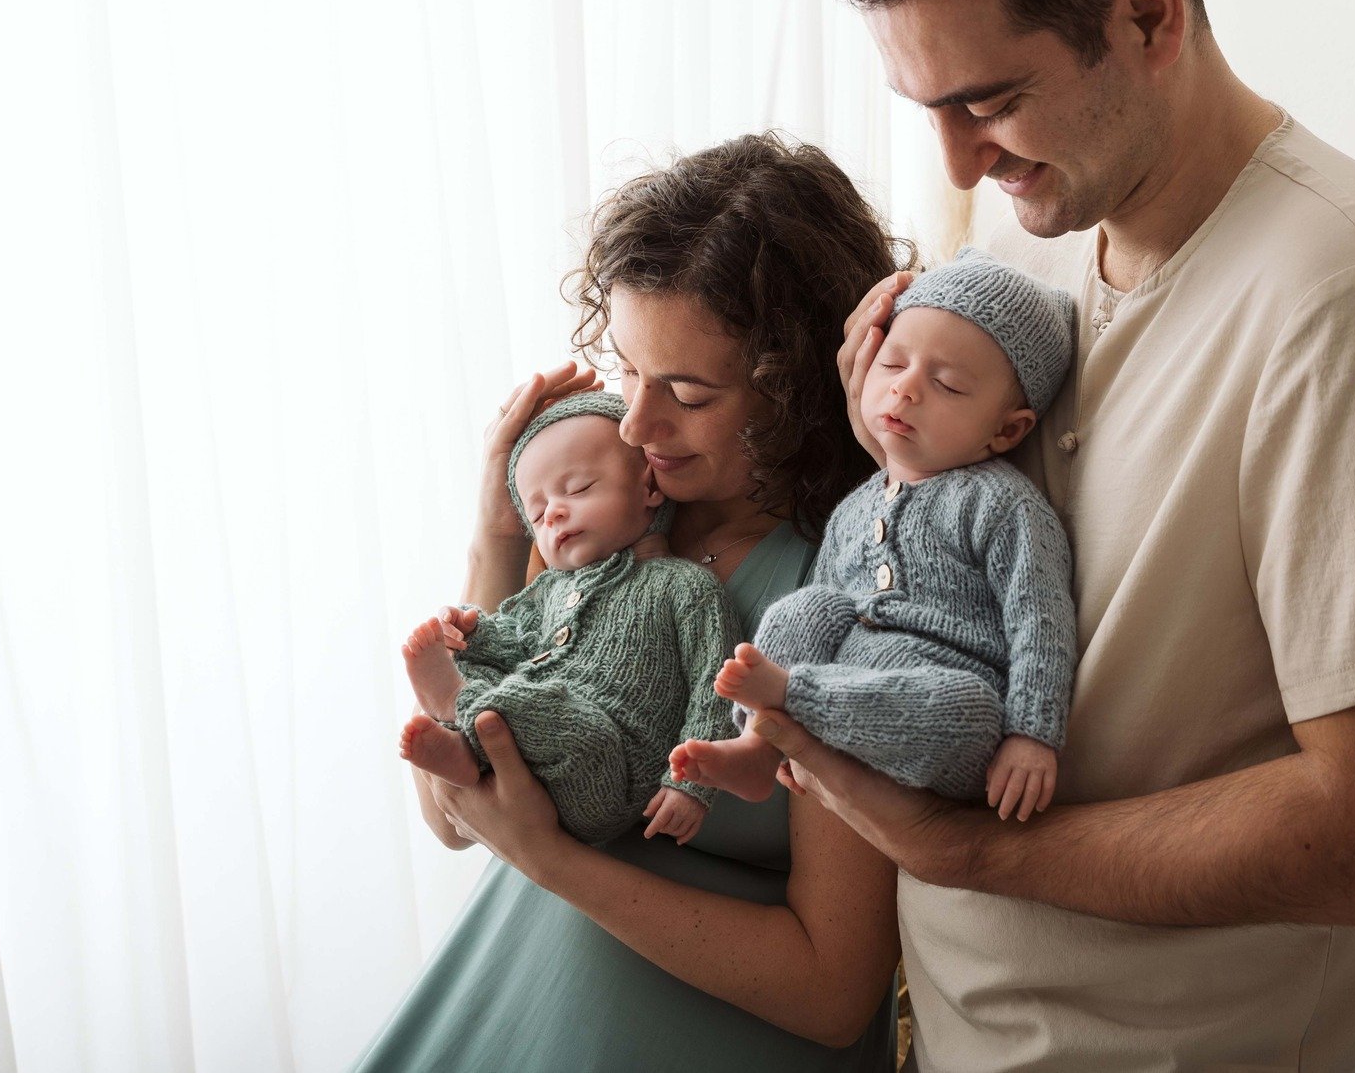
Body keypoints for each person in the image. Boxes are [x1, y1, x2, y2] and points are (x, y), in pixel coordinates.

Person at [744, 0, 1355, 1072]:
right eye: (929, 109)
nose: (960, 161)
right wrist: (902, 455)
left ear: (1150, 16)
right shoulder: (1028, 259)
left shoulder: (1353, 298)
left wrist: (970, 847)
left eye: (988, 100)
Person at [354, 133, 906, 1070]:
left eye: (686, 390)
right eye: (628, 368)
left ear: (799, 387)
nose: (639, 424)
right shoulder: (598, 525)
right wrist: (495, 534)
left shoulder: (854, 590)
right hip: (484, 1021)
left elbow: (834, 990)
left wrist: (556, 861)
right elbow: (450, 817)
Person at [672, 249, 1078, 821]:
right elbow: (826, 608)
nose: (905, 390)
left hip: (946, 696)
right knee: (806, 606)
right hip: (847, 679)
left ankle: (790, 700)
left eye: (948, 385)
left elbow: (1039, 617)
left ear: (1006, 431)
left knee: (968, 709)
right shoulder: (857, 506)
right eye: (892, 365)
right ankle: (758, 748)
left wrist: (1034, 734)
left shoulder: (1000, 502)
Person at [398, 392, 733, 847]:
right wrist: (475, 633)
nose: (554, 511)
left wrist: (692, 783)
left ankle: (462, 710)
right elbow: (518, 642)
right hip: (528, 770)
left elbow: (716, 687)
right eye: (537, 513)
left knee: (564, 718)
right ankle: (466, 745)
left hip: (608, 769)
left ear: (649, 488)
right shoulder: (550, 588)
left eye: (577, 489)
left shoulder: (683, 586)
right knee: (483, 667)